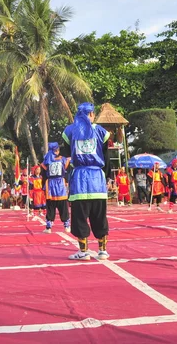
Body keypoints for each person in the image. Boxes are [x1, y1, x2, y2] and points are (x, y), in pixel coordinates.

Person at [62, 103, 110, 261]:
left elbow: (67, 153)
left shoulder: (70, 130)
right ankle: (102, 251)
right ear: (90, 114)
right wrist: (108, 177)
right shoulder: (100, 131)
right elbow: (106, 157)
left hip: (80, 180)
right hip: (97, 178)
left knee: (79, 216)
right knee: (99, 215)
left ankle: (83, 252)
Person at [40, 142, 70, 233]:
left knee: (50, 206)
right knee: (63, 205)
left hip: (50, 185)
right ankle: (66, 226)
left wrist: (43, 187)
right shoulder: (63, 160)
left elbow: (44, 175)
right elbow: (67, 172)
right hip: (60, 184)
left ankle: (48, 227)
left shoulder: (46, 161)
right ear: (57, 150)